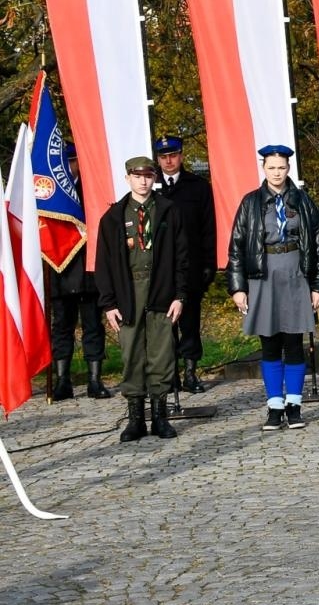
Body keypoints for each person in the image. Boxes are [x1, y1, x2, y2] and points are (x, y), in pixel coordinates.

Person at [226, 145, 319, 431]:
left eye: (281, 167)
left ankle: (294, 405)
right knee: (270, 342)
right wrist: (237, 287)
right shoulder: (250, 202)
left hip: (296, 273)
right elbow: (236, 247)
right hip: (263, 276)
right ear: (263, 168)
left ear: (288, 169)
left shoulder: (303, 201)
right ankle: (274, 406)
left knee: (294, 342)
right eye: (271, 167)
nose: (276, 173)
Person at [95, 156, 189, 442]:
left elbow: (182, 257)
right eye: (137, 177)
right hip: (129, 291)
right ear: (128, 179)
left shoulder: (169, 211)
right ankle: (135, 418)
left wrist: (180, 295)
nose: (143, 181)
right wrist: (109, 303)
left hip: (161, 288)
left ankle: (160, 416)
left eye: (148, 176)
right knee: (131, 354)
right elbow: (103, 264)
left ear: (154, 178)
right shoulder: (113, 217)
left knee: (162, 353)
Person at [153, 134, 217, 393]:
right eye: (164, 157)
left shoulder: (197, 186)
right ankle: (170, 374)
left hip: (191, 265)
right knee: (164, 323)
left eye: (173, 155)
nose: (169, 161)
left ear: (181, 156)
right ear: (158, 159)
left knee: (189, 322)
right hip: (160, 268)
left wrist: (209, 263)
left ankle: (190, 372)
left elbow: (208, 228)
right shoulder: (151, 186)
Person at [47, 143, 111, 401]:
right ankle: (63, 380)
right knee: (62, 327)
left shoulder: (90, 189)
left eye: (74, 161)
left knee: (93, 325)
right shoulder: (50, 192)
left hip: (88, 270)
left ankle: (95, 380)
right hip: (60, 269)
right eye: (68, 161)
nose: (71, 166)